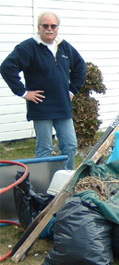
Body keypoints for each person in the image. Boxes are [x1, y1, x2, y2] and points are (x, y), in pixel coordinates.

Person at [0, 12, 86, 170]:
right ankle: (45, 186)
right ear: (39, 27)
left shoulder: (64, 46)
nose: (49, 29)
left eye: (53, 26)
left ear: (57, 28)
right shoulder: (28, 47)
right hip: (41, 107)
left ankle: (64, 183)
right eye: (45, 26)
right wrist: (24, 93)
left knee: (70, 146)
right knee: (45, 149)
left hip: (62, 106)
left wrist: (72, 90)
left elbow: (80, 67)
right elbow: (7, 68)